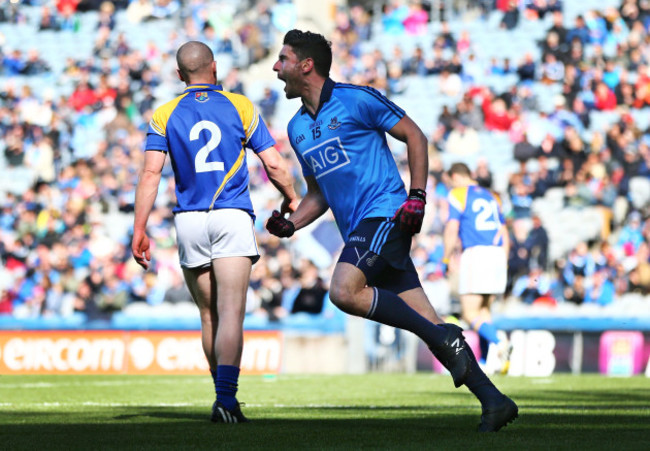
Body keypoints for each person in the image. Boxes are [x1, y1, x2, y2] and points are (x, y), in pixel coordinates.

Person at [266, 29, 517, 432]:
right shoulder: (297, 128)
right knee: (430, 322)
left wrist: (416, 196)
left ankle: (442, 335)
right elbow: (319, 193)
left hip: (386, 215)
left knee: (343, 291)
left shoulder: (357, 99)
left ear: (305, 65)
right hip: (360, 232)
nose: (276, 68)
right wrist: (291, 223)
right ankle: (494, 400)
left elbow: (415, 135)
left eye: (283, 59)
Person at [132, 41, 298, 424]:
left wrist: (139, 229)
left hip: (189, 219)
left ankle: (221, 397)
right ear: (215, 68)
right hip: (231, 215)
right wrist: (290, 197)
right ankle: (226, 400)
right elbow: (273, 163)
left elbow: (150, 174)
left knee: (208, 316)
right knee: (231, 312)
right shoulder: (239, 106)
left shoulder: (164, 113)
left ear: (179, 75)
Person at [443, 162, 512, 375]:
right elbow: (504, 232)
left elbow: (452, 227)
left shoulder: (458, 194)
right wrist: (504, 261)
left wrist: (446, 259)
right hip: (498, 253)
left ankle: (499, 340)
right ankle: (486, 362)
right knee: (484, 312)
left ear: (455, 176)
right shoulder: (493, 196)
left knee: (469, 312)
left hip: (476, 253)